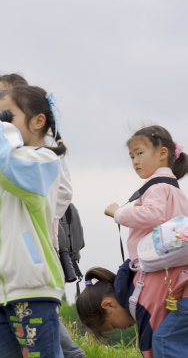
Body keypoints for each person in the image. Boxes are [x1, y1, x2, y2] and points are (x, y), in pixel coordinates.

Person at [0, 74, 82, 358]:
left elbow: (10, 165)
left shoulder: (43, 161)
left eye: (8, 116)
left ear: (38, 121)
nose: (2, 123)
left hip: (31, 287)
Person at [105, 125, 188, 260]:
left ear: (162, 153)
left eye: (139, 153)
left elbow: (153, 215)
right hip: (174, 264)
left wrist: (119, 213)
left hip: (151, 265)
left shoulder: (156, 187)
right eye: (132, 157)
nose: (135, 161)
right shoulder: (176, 190)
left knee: (120, 280)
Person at [77, 264, 188, 357]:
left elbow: (149, 350)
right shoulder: (133, 279)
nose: (123, 329)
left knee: (163, 340)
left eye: (114, 326)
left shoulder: (141, 302)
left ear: (108, 304)